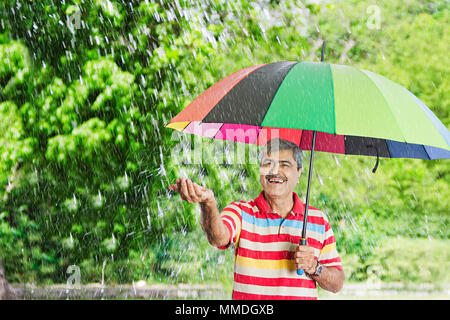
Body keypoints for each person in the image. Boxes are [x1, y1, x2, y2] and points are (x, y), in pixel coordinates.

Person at [169, 138, 344, 300]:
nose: (275, 171)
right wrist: (208, 204)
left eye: (284, 165)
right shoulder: (241, 212)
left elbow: (337, 284)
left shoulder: (318, 220)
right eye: (268, 164)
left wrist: (314, 267)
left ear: (298, 173)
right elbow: (218, 237)